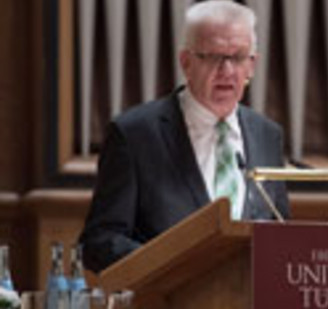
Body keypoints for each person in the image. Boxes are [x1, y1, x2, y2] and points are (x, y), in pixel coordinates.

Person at [79, 0, 289, 273]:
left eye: (237, 57)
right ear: (186, 62)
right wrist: (174, 266)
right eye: (213, 56)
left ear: (252, 65)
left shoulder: (267, 135)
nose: (226, 70)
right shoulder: (134, 135)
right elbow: (99, 243)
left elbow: (280, 232)